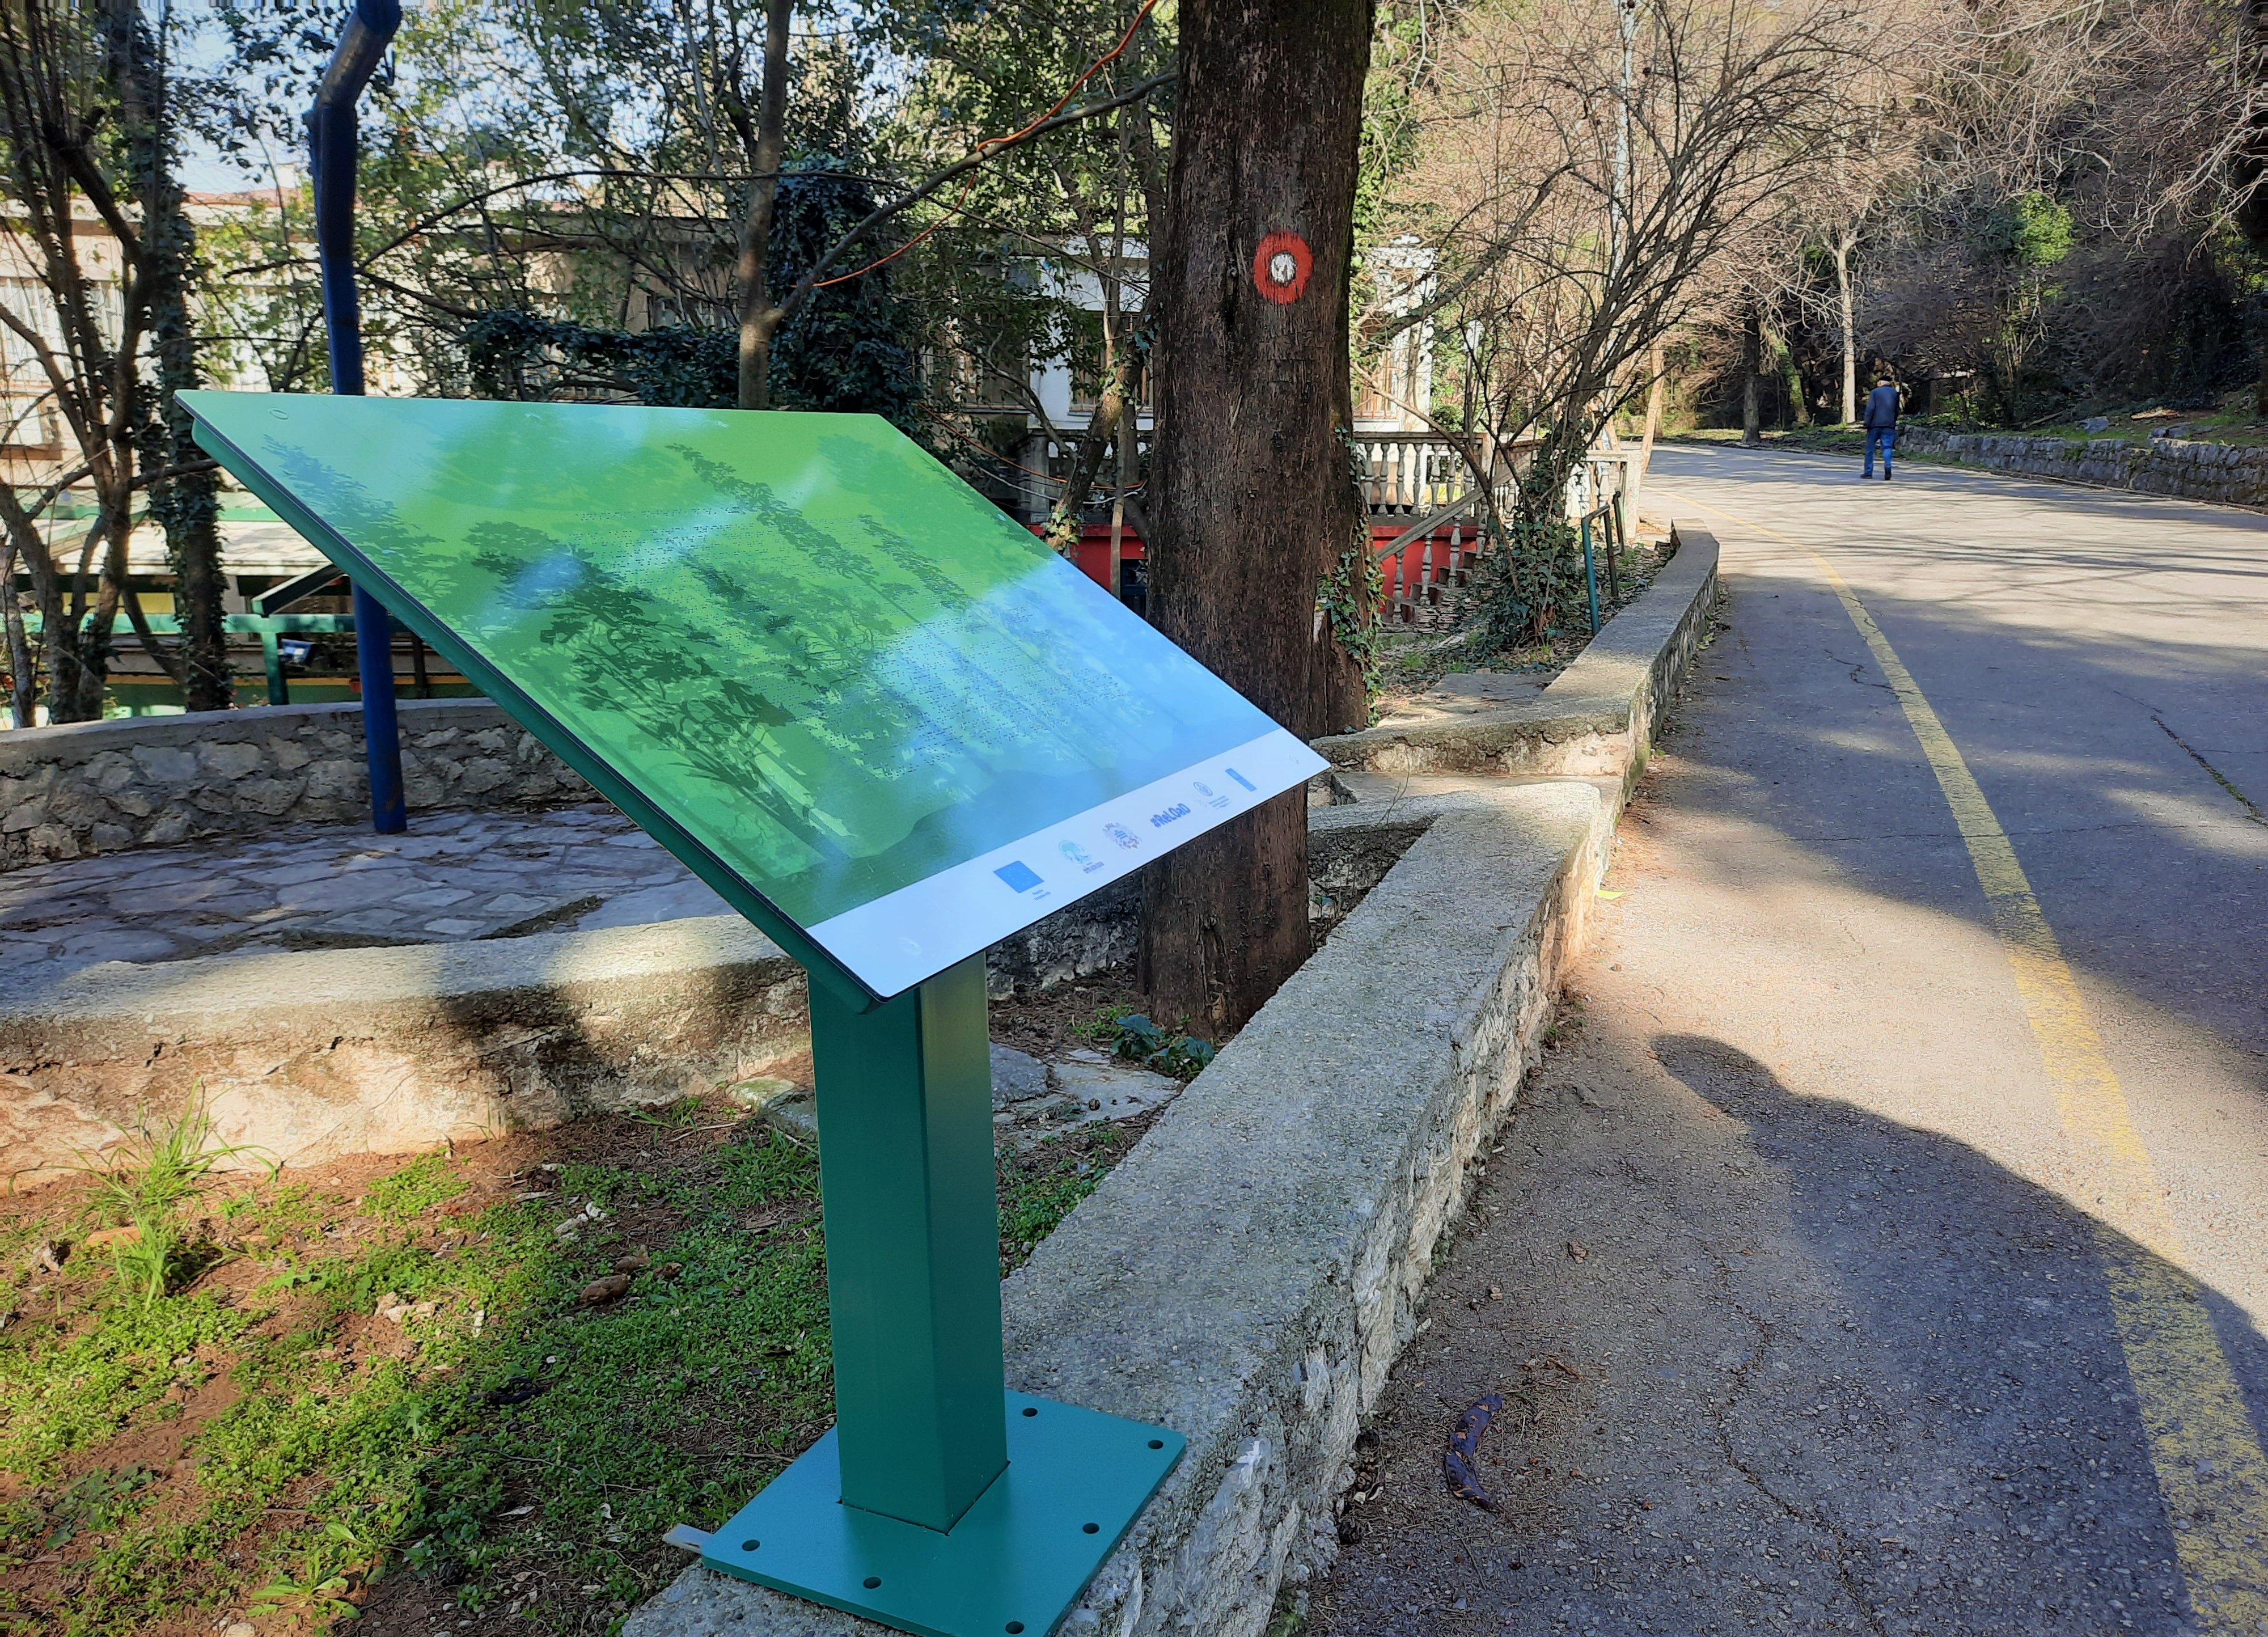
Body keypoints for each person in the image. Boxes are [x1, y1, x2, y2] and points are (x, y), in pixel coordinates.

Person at [1861, 375, 1901, 480]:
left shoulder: (1875, 392)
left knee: (1870, 449)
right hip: (1889, 425)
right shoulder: (1895, 393)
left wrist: (1866, 424)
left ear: (1880, 383)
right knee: (1887, 448)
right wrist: (1893, 421)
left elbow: (1870, 409)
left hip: (1874, 425)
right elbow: (1897, 410)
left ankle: (1868, 472)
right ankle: (1888, 468)